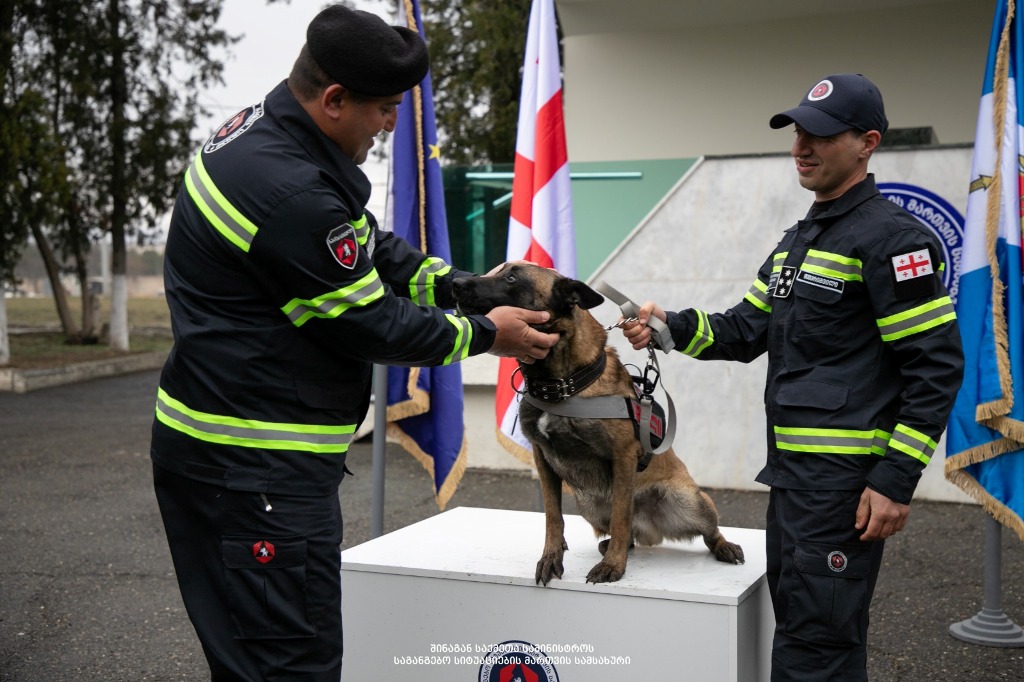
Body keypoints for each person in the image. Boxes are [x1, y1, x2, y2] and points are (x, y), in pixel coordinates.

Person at [150, 5, 558, 680]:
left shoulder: (265, 132)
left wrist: (467, 288)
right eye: (384, 109)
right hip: (258, 474)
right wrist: (491, 334)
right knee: (291, 661)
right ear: (335, 99)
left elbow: (365, 244)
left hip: (219, 453)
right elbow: (373, 322)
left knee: (248, 656)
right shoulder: (291, 193)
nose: (392, 124)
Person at [622, 73, 964, 681]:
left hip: (844, 489)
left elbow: (936, 368)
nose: (801, 147)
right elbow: (743, 329)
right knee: (810, 634)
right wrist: (668, 324)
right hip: (794, 482)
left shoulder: (894, 241)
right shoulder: (798, 242)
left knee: (816, 650)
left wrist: (894, 479)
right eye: (798, 132)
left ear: (867, 143)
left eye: (822, 135)